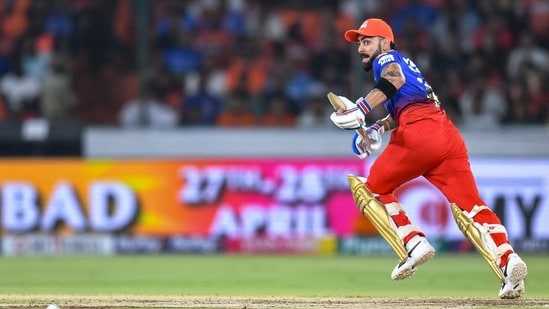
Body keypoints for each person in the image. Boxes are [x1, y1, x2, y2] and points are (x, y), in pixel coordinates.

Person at [329, 18, 527, 299]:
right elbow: (404, 105)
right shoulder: (408, 64)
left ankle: (413, 243)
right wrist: (377, 127)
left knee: (369, 189)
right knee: (471, 206)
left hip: (420, 134)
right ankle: (509, 262)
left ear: (385, 42)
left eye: (366, 41)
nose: (361, 47)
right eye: (359, 42)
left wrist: (361, 108)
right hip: (447, 135)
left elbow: (393, 79)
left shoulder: (386, 59)